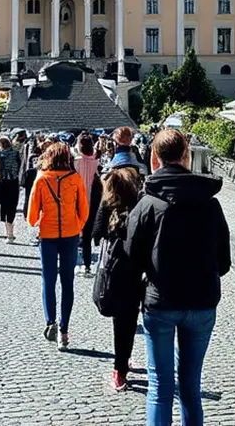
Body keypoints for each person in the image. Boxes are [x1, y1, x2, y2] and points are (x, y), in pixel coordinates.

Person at [127, 128, 231, 426]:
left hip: (161, 301)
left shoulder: (147, 203)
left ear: (154, 158)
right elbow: (223, 263)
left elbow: (133, 259)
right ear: (187, 156)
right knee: (190, 388)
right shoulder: (211, 204)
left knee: (160, 387)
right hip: (201, 302)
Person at [28, 142, 90, 352]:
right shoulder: (75, 179)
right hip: (70, 235)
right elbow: (85, 210)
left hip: (48, 235)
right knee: (68, 282)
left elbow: (31, 217)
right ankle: (64, 331)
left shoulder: (42, 180)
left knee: (48, 281)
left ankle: (50, 322)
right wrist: (77, 225)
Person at [92, 166, 145, 392]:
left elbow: (95, 235)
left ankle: (120, 368)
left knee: (121, 322)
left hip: (113, 272)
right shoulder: (139, 207)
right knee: (129, 321)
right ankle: (122, 364)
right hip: (135, 273)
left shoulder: (107, 204)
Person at [74, 133, 104, 276]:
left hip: (76, 200)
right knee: (87, 237)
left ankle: (75, 263)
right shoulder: (96, 162)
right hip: (92, 202)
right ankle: (86, 265)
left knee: (74, 233)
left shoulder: (76, 161)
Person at [0, 136, 22, 244]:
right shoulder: (16, 154)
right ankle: (10, 233)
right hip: (14, 182)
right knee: (12, 208)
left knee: (5, 208)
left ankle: (9, 234)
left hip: (2, 183)